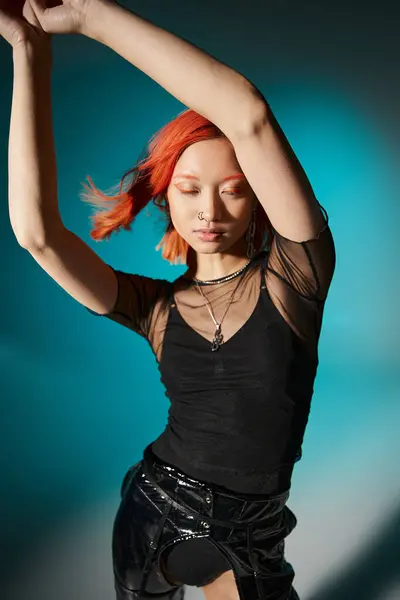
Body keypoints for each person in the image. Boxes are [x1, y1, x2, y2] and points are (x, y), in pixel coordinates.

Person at [2, 1, 336, 599]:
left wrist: (90, 14)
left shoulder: (295, 276)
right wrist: (30, 55)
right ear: (166, 196)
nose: (210, 210)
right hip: (149, 512)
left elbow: (249, 115)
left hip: (250, 533)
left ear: (259, 198)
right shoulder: (153, 307)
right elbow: (37, 235)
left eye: (234, 192)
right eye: (190, 189)